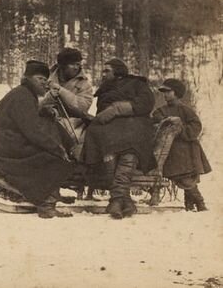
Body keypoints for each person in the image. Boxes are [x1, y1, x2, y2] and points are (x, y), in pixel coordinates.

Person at [0, 60, 75, 219]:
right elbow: (32, 130)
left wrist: (45, 112)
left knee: (51, 137)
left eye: (45, 80)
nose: (44, 83)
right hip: (7, 145)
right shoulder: (23, 96)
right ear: (28, 78)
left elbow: (27, 120)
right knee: (52, 158)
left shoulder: (24, 93)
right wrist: (56, 148)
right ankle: (47, 204)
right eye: (39, 79)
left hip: (7, 141)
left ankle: (49, 193)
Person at [81, 58, 156, 219]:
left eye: (107, 70)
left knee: (130, 149)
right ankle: (124, 199)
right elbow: (102, 112)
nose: (103, 74)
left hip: (134, 126)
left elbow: (146, 104)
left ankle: (116, 199)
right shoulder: (104, 90)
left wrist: (117, 108)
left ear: (119, 72)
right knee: (102, 141)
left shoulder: (137, 84)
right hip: (110, 130)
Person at [153, 79, 211, 211]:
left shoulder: (186, 110)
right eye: (164, 92)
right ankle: (195, 204)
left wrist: (181, 130)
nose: (165, 95)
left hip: (188, 150)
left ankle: (196, 204)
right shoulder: (160, 111)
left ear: (177, 93)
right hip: (170, 150)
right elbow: (155, 123)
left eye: (168, 92)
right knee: (183, 176)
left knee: (187, 176)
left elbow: (196, 126)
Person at [40, 47, 93, 143]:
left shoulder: (84, 84)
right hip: (44, 120)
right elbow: (32, 102)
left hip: (73, 124)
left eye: (78, 64)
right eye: (72, 64)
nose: (76, 67)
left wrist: (61, 91)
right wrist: (49, 98)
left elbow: (82, 108)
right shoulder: (44, 78)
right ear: (62, 65)